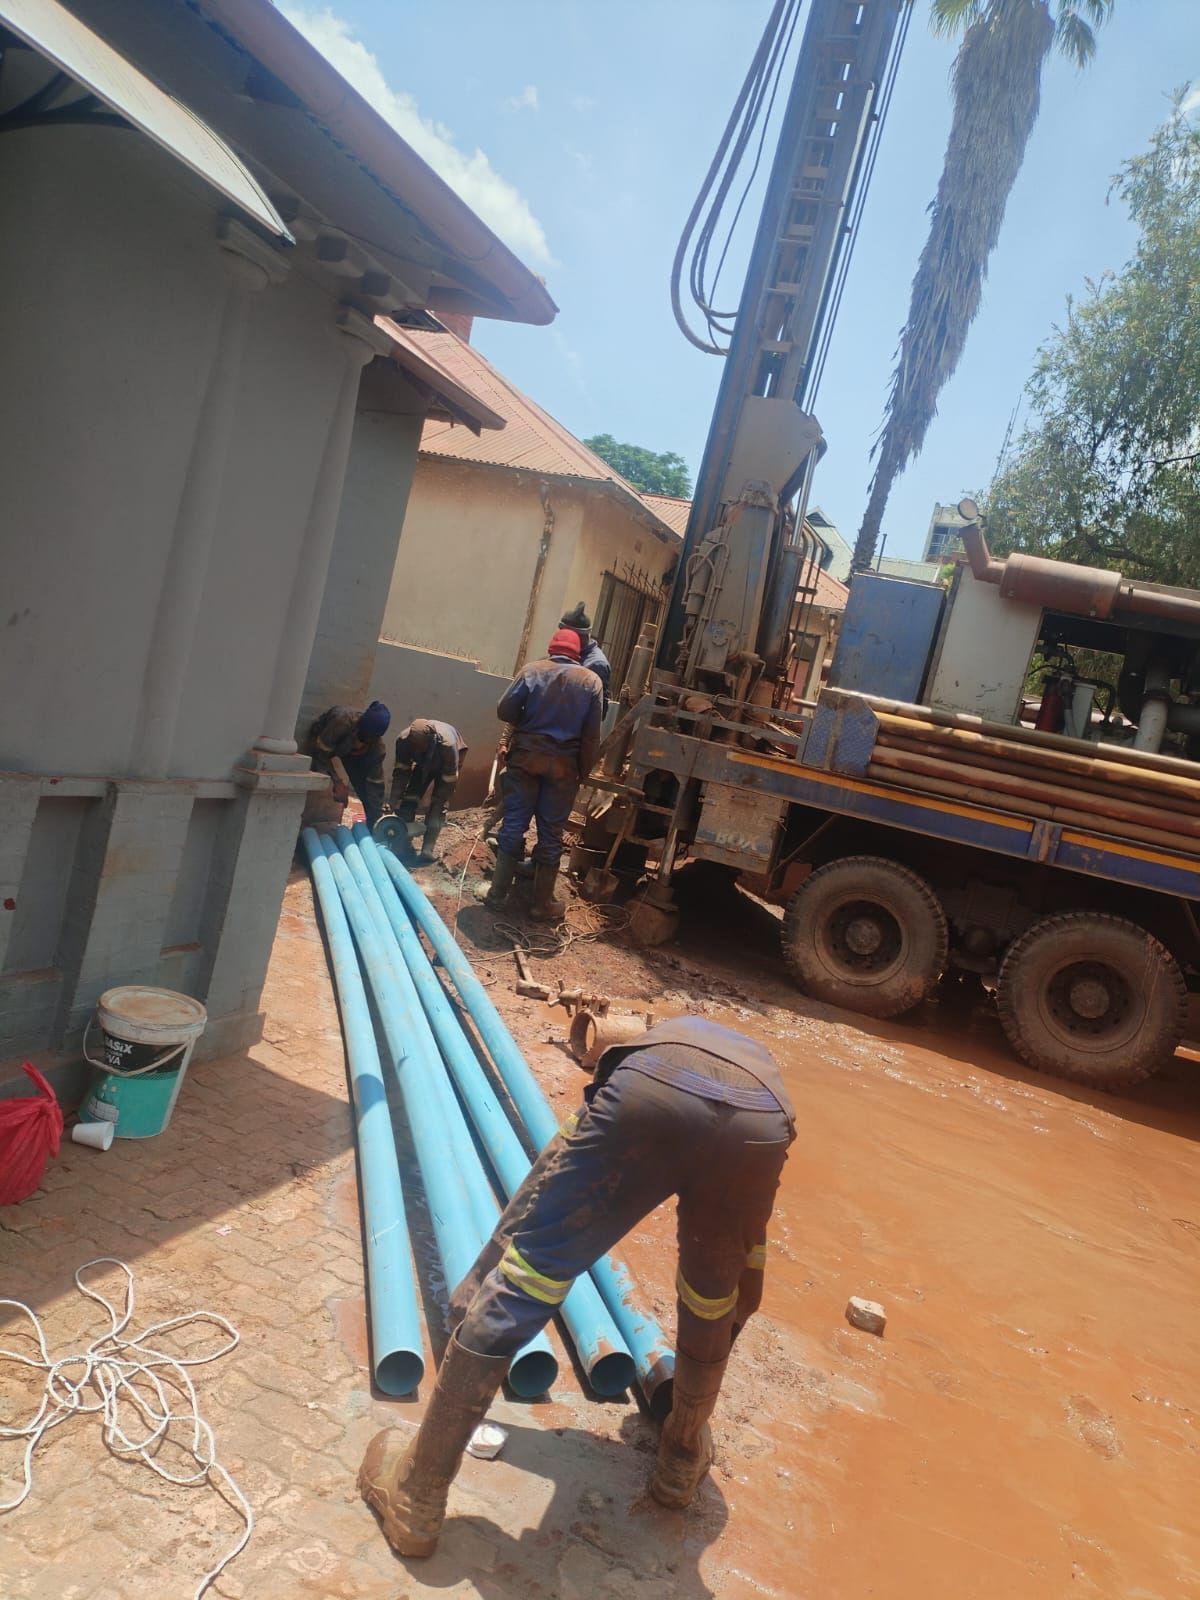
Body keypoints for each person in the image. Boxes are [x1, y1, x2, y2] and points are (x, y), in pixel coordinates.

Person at [358, 1016, 795, 1559]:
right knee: (710, 1297)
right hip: (758, 1129)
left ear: (602, 1057)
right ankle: (681, 1457)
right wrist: (728, 1314)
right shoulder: (761, 1080)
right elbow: (747, 1268)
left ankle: (417, 1495)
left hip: (647, 1102)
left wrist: (477, 1289)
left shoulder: (634, 1066)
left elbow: (544, 1184)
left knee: (532, 1275)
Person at [486, 629, 602, 920]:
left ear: (551, 648)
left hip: (525, 759)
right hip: (563, 768)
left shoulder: (532, 670)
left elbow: (505, 710)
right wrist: (582, 773)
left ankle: (497, 894)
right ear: (578, 654)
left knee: (514, 822)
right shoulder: (591, 681)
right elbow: (591, 737)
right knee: (551, 832)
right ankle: (541, 905)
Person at [303, 701, 390, 829]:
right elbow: (319, 752)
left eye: (370, 740)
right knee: (316, 772)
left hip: (348, 751)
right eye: (363, 737)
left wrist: (377, 819)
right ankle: (305, 822)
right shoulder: (341, 722)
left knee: (367, 791)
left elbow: (375, 785)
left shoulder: (377, 748)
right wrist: (337, 782)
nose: (362, 743)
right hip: (324, 742)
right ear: (360, 726)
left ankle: (372, 828)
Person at [390, 718, 467, 861]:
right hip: (423, 763)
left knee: (438, 806)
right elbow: (401, 771)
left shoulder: (448, 746)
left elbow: (449, 779)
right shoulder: (403, 740)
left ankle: (427, 848)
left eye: (421, 748)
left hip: (447, 765)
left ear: (431, 741)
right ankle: (403, 842)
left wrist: (440, 801)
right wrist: (394, 798)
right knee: (410, 797)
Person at [560, 601, 611, 714]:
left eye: (567, 634)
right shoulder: (566, 652)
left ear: (582, 636)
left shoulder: (596, 664)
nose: (562, 638)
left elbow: (599, 711)